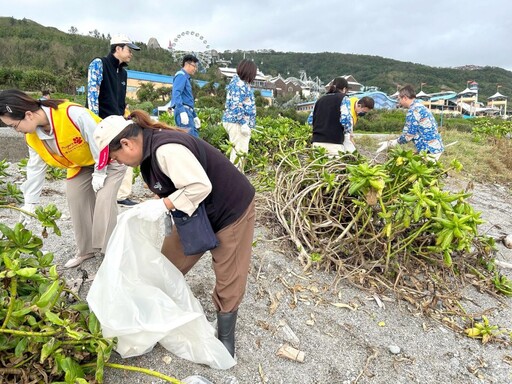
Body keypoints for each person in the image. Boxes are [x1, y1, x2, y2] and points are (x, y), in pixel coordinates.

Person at [93, 110, 255, 357]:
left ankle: (225, 338)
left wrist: (163, 205)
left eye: (116, 158)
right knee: (167, 264)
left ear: (126, 144)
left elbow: (200, 186)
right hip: (194, 211)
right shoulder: (145, 152)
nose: (118, 163)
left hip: (229, 209)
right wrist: (162, 210)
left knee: (228, 272)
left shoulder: (165, 149)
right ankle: (153, 317)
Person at [0, 89, 126, 268]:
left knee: (104, 200)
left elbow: (98, 141)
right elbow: (35, 169)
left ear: (28, 115)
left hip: (110, 156)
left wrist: (100, 171)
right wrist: (30, 203)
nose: (16, 130)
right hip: (81, 163)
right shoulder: (33, 137)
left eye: (14, 125)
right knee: (76, 199)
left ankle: (110, 252)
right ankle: (86, 250)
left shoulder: (72, 113)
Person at [87, 34, 140, 207]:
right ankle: (97, 193)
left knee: (126, 152)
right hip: (100, 120)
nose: (131, 53)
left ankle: (121, 194)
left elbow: (121, 100)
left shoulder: (123, 73)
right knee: (99, 159)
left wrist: (125, 118)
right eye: (128, 49)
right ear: (118, 48)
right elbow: (92, 93)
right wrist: (94, 120)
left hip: (117, 121)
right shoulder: (99, 64)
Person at [376, 84, 444, 159]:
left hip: (429, 151)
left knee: (421, 170)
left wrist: (391, 143)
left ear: (405, 98)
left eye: (399, 99)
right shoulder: (421, 107)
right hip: (435, 147)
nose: (399, 102)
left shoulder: (413, 111)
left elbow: (408, 135)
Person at [309, 77, 374, 156]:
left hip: (317, 143)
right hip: (334, 143)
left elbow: (310, 121)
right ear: (344, 89)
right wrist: (348, 137)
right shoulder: (344, 98)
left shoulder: (319, 100)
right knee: (336, 167)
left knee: (320, 167)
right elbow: (345, 121)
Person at [221, 59, 257, 171]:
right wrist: (243, 123)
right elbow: (236, 105)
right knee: (238, 154)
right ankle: (235, 182)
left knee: (240, 153)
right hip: (237, 123)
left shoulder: (240, 83)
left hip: (238, 123)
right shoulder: (238, 84)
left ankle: (236, 180)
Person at [170, 54, 201, 137]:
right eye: (194, 66)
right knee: (189, 139)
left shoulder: (186, 77)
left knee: (194, 139)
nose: (195, 69)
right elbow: (176, 93)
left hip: (188, 111)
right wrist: (182, 111)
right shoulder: (181, 75)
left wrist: (194, 116)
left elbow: (187, 99)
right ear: (187, 64)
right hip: (184, 110)